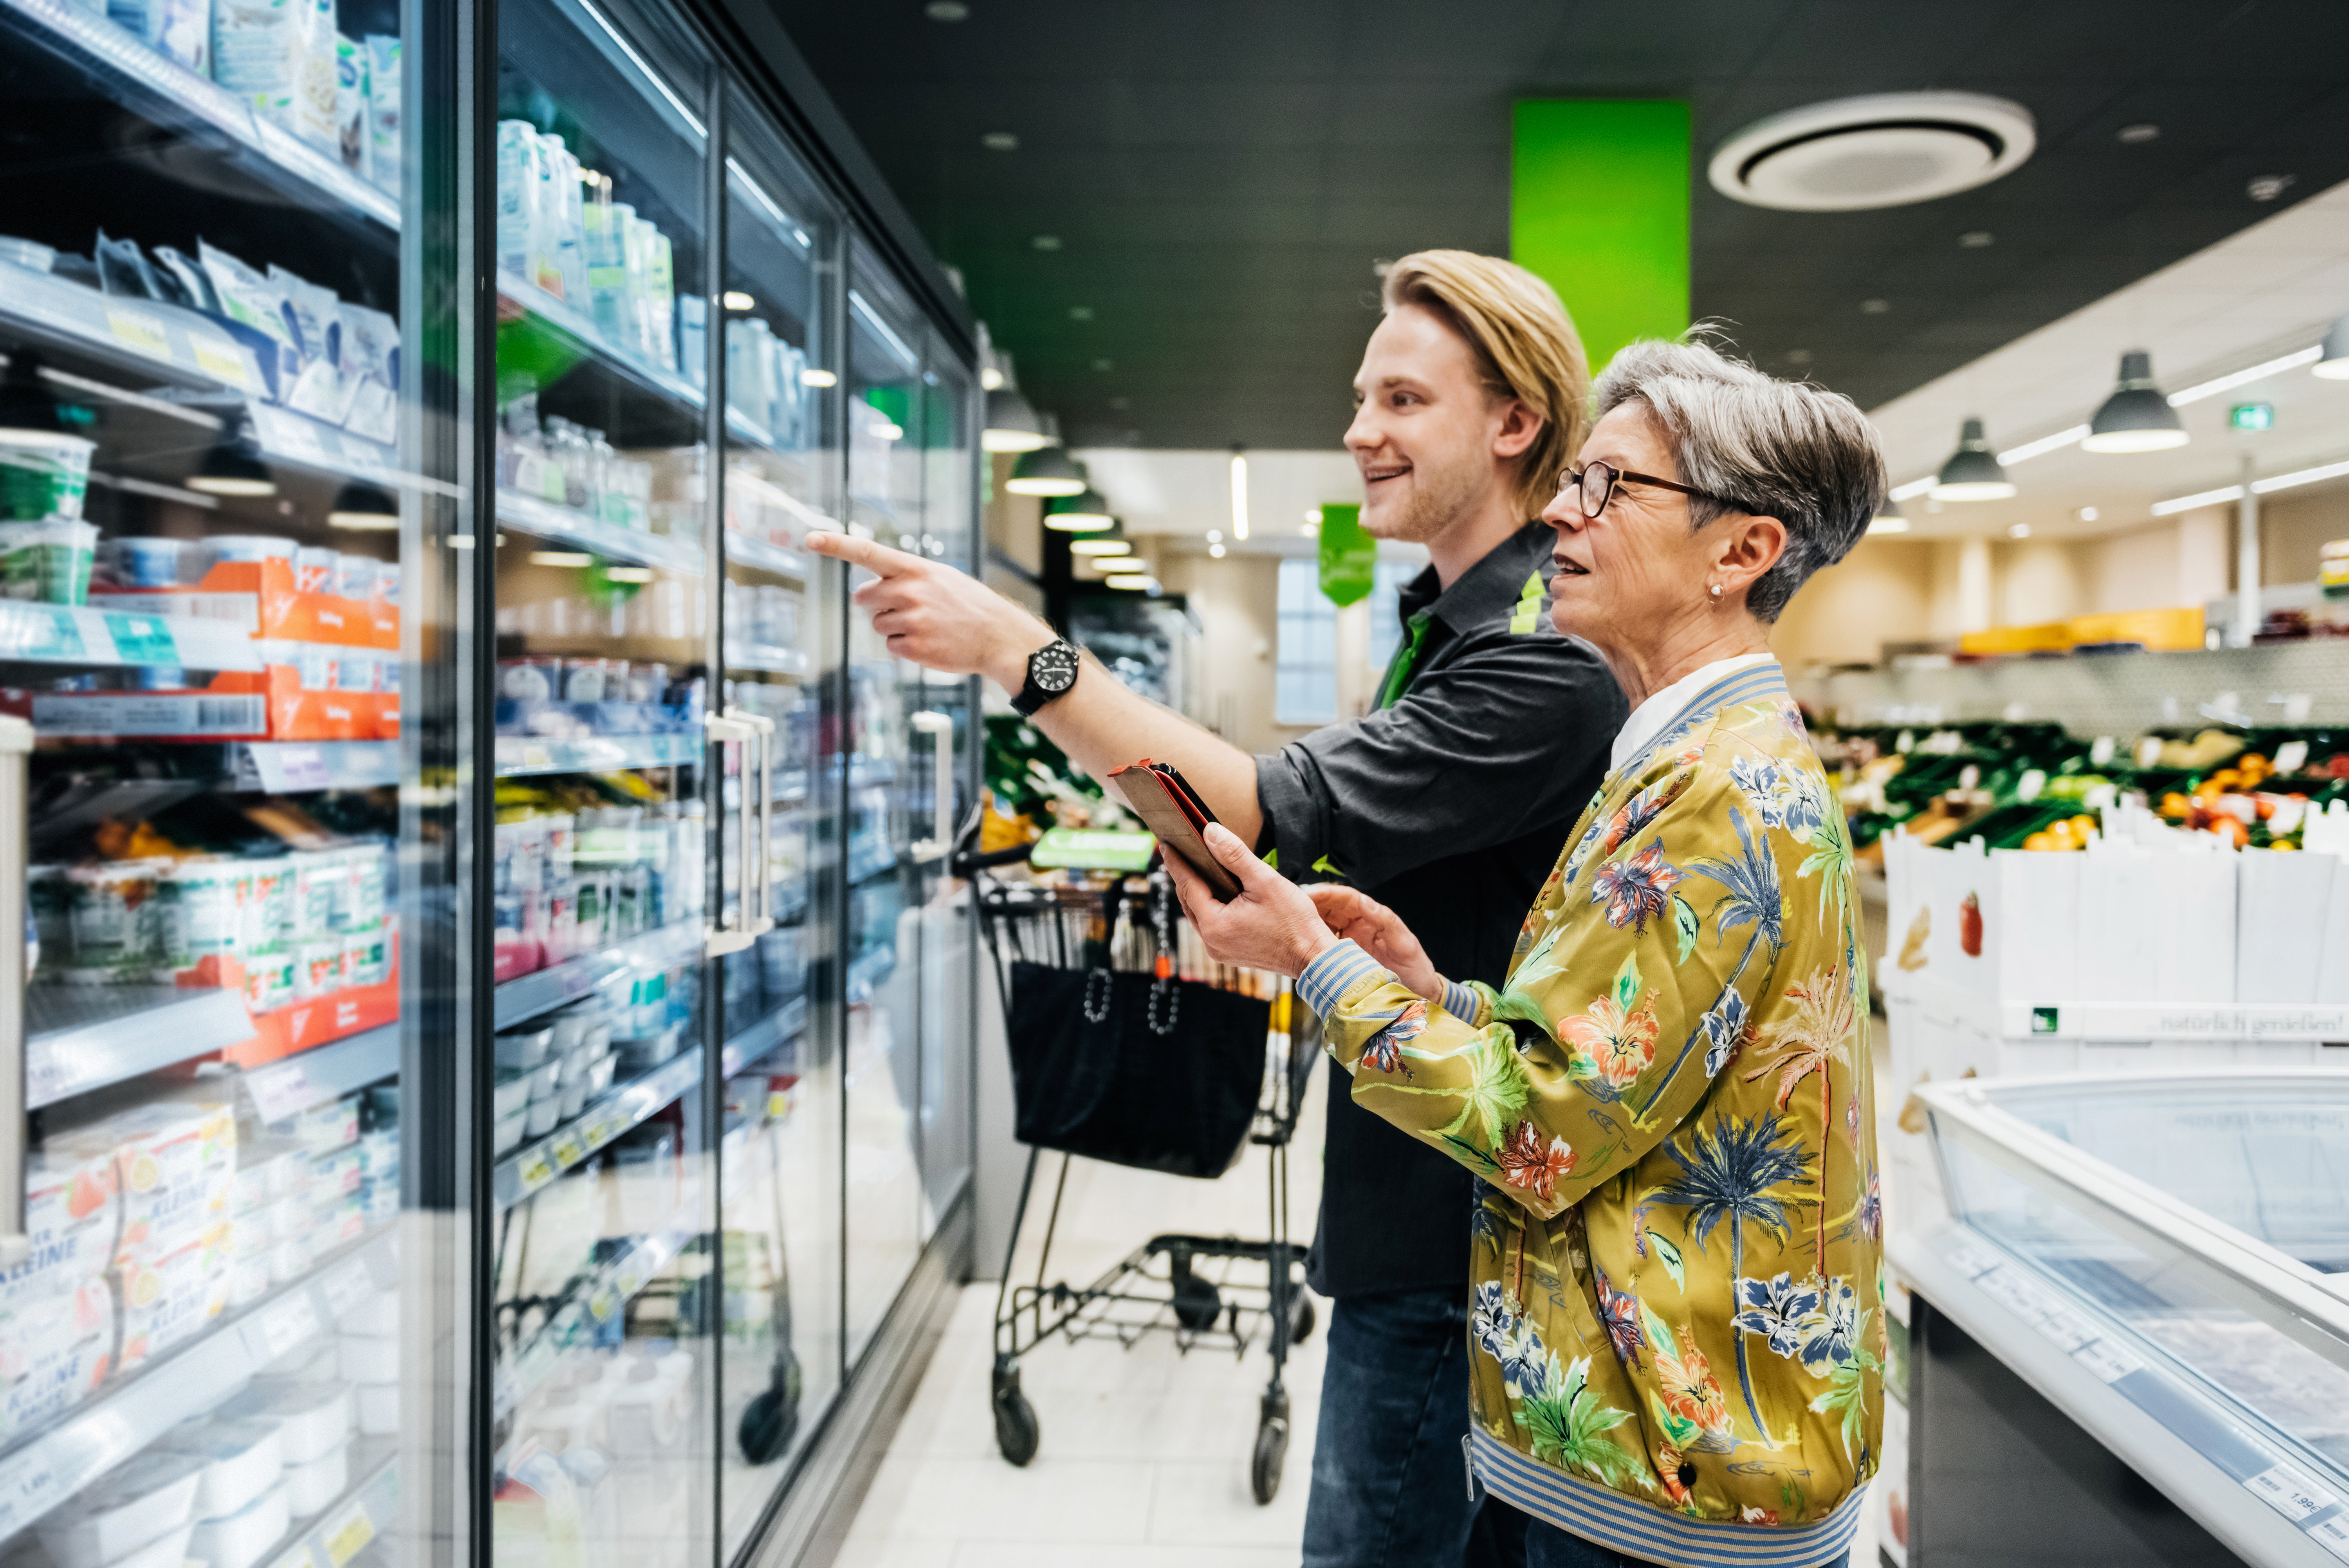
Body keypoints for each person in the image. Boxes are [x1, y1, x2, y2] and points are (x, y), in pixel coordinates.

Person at [807, 251, 1628, 1566]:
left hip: (1453, 1238)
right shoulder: (1454, 627)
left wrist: (1016, 649)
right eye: (1363, 397)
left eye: (1405, 400)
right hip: (1416, 1198)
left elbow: (1258, 802)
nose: (1359, 429)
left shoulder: (1544, 655)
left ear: (1515, 421)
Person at [1160, 334, 1886, 1568]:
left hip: (1668, 1481)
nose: (1562, 507)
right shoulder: (1685, 757)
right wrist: (1439, 993)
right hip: (1648, 1448)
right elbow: (1616, 1068)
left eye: (1611, 485)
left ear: (1743, 550)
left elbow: (1542, 1132)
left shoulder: (1715, 789)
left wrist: (1318, 970)